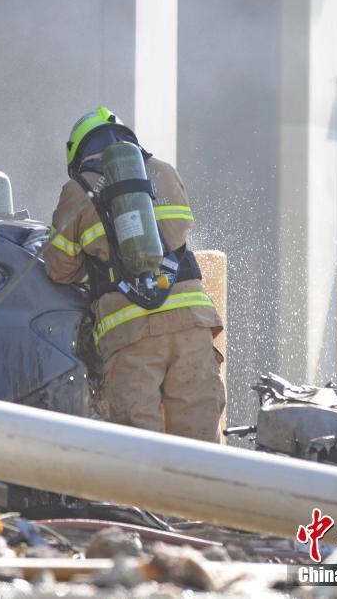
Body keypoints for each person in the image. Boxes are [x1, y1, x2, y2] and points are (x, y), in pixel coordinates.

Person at [43, 107, 226, 443]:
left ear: (79, 150)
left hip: (130, 334)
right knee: (202, 455)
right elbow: (180, 230)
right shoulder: (164, 172)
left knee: (139, 460)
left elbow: (59, 269)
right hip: (192, 325)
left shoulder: (78, 189)